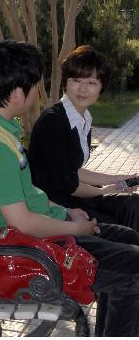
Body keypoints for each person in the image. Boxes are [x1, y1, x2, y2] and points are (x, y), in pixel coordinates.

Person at [0, 40, 139, 337]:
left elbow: (30, 200)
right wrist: (75, 229)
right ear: (17, 91)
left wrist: (67, 212)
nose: (36, 93)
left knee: (128, 239)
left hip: (38, 235)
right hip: (25, 248)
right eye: (34, 85)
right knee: (133, 270)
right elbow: (22, 221)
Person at [28, 45, 139, 231]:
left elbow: (73, 170)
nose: (82, 89)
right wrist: (102, 192)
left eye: (91, 82)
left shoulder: (82, 118)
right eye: (76, 80)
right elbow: (65, 182)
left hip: (72, 198)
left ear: (101, 87)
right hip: (55, 208)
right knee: (124, 228)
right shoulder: (53, 122)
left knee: (134, 204)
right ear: (66, 82)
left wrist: (115, 179)